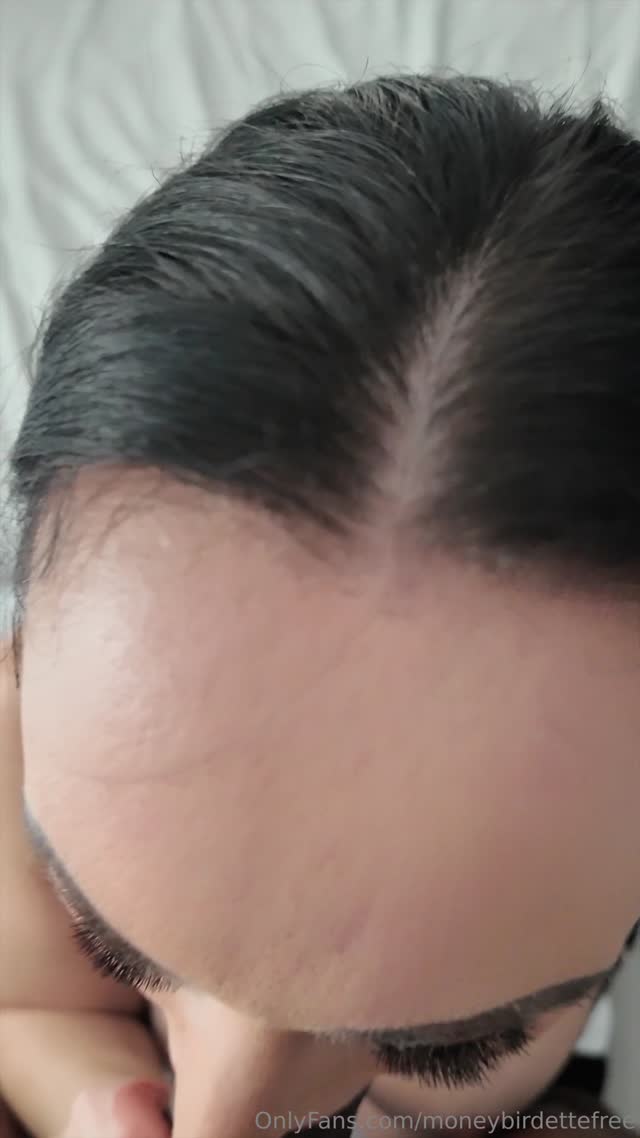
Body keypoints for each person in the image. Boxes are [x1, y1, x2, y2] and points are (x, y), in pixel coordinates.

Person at [1, 70, 640, 1138]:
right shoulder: (26, 718)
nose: (221, 1121)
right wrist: (90, 1101)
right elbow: (23, 1002)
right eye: (107, 941)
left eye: (446, 1043)